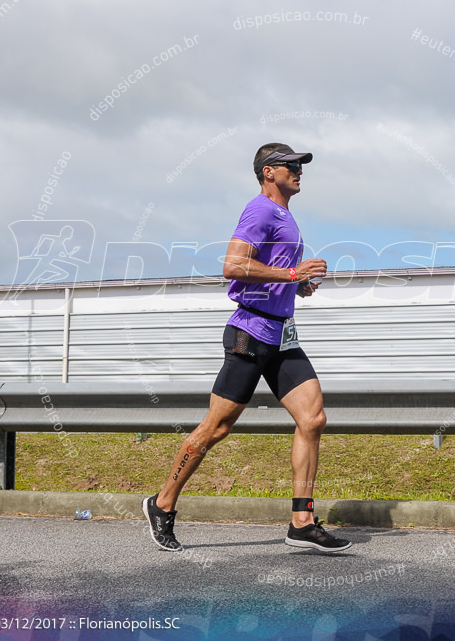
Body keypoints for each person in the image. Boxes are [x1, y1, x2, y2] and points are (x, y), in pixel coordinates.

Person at [143, 143, 351, 554]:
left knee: (312, 419)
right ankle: (162, 503)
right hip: (250, 332)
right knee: (217, 427)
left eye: (300, 166)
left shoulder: (285, 215)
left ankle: (302, 522)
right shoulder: (259, 210)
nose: (299, 171)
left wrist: (297, 284)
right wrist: (292, 272)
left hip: (281, 335)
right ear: (269, 172)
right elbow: (233, 267)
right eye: (292, 165)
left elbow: (269, 272)